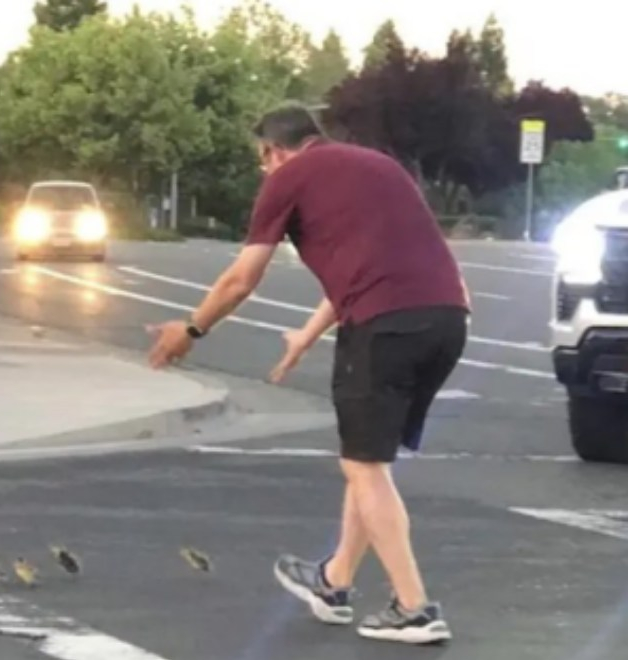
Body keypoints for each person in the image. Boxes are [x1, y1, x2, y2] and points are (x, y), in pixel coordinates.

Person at [146, 103, 470, 645]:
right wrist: (307, 333)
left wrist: (192, 330)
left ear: (274, 149)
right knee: (369, 460)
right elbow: (375, 264)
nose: (263, 170)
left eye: (262, 160)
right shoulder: (379, 166)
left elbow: (241, 279)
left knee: (365, 468)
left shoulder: (288, 177)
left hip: (384, 327)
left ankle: (413, 607)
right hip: (446, 320)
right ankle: (335, 579)